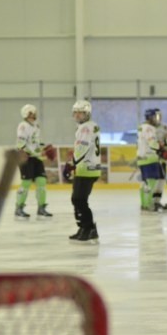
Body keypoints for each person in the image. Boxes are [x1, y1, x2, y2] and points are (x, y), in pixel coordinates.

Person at [66, 100, 101, 243]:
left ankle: (89, 228)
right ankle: (84, 227)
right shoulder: (90, 126)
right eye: (76, 112)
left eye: (81, 112)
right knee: (79, 199)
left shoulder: (86, 127)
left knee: (78, 200)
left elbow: (83, 147)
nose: (77, 115)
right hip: (87, 168)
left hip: (87, 168)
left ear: (87, 114)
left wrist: (72, 163)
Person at [15, 104, 54, 219]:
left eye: (34, 113)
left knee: (41, 181)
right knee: (26, 183)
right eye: (31, 113)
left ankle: (41, 208)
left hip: (35, 157)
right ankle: (19, 207)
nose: (34, 115)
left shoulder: (36, 126)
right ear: (25, 114)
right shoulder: (23, 126)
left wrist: (44, 148)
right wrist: (31, 152)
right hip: (25, 157)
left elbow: (35, 143)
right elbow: (21, 144)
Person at [137, 108, 167, 212]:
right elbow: (152, 143)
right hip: (149, 158)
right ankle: (148, 204)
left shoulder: (142, 127)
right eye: (156, 117)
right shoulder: (149, 128)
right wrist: (161, 149)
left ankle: (146, 203)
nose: (157, 119)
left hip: (144, 158)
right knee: (150, 182)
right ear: (150, 117)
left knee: (146, 183)